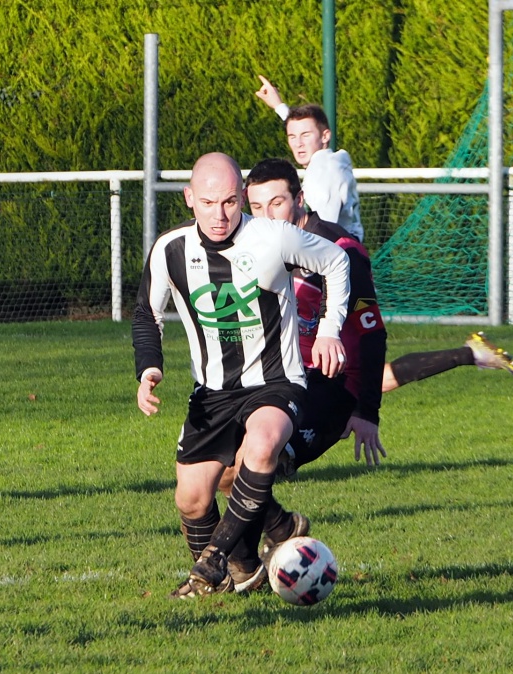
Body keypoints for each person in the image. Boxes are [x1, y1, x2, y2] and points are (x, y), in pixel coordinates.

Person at [131, 152, 350, 598]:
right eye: (208, 203)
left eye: (230, 202)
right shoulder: (170, 249)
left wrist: (330, 330)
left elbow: (336, 261)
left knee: (263, 443)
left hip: (276, 381)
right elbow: (146, 313)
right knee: (191, 498)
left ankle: (212, 561)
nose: (219, 214)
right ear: (189, 198)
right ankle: (246, 566)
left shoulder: (272, 237)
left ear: (243, 198)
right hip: (212, 392)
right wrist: (149, 368)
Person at [240, 157, 513, 480]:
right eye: (257, 207)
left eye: (276, 204)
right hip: (282, 376)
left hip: (333, 382)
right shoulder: (255, 244)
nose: (266, 216)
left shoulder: (340, 250)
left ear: (299, 199)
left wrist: (366, 412)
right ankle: (469, 353)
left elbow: (372, 334)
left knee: (264, 462)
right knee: (224, 455)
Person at [255, 75, 364, 241]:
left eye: (305, 135)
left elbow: (322, 233)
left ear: (325, 136)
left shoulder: (324, 171)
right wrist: (279, 106)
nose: (298, 143)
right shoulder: (329, 161)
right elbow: (301, 126)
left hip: (338, 249)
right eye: (292, 136)